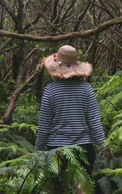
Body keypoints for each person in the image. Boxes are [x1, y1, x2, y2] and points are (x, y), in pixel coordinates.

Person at [35, 45, 107, 192]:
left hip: (56, 149)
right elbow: (94, 120)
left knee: (62, 189)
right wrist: (102, 145)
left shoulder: (50, 91)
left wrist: (39, 150)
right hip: (84, 148)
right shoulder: (86, 89)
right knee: (82, 187)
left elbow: (44, 125)